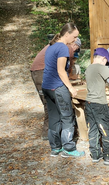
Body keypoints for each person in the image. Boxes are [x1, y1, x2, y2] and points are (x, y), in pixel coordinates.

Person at [42, 23, 85, 158]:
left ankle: (55, 148)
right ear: (67, 34)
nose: (75, 39)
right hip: (58, 87)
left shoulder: (52, 46)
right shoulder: (62, 48)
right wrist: (71, 88)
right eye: (74, 36)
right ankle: (69, 148)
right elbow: (61, 71)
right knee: (67, 117)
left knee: (54, 118)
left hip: (47, 86)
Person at [30, 37, 81, 140]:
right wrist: (71, 83)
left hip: (37, 72)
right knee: (53, 104)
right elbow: (67, 69)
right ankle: (56, 135)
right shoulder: (67, 47)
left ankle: (52, 135)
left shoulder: (57, 44)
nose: (74, 52)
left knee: (50, 103)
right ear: (75, 45)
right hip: (41, 72)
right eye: (76, 49)